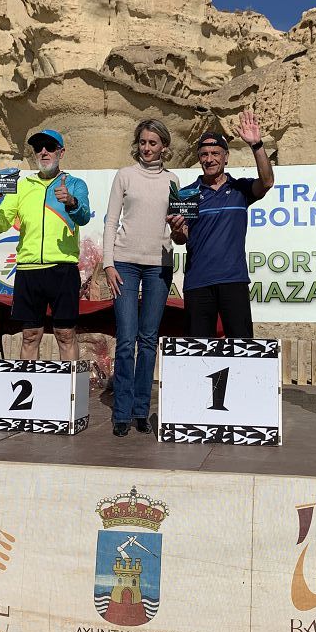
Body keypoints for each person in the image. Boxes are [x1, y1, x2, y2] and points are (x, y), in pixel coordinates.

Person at [0, 129, 90, 361]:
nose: (43, 151)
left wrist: (71, 202)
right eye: (38, 147)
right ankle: (30, 388)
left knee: (65, 334)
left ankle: (69, 392)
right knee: (30, 335)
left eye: (50, 146)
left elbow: (83, 217)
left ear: (61, 152)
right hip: (29, 270)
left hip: (62, 269)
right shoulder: (22, 186)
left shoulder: (75, 184)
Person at [168, 110, 274, 338]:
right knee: (197, 350)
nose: (209, 159)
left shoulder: (240, 189)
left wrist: (256, 145)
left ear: (226, 157)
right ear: (199, 158)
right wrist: (177, 230)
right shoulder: (186, 194)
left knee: (242, 347)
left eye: (215, 153)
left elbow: (267, 181)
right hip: (198, 282)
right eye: (204, 154)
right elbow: (180, 238)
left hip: (233, 280)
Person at [103, 119, 179, 437]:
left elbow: (179, 226)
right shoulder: (125, 176)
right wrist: (108, 263)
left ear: (164, 146)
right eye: (143, 143)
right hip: (125, 264)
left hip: (159, 265)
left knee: (148, 341)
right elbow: (110, 221)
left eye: (154, 143)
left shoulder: (174, 180)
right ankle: (120, 412)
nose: (147, 148)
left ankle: (140, 410)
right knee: (125, 340)